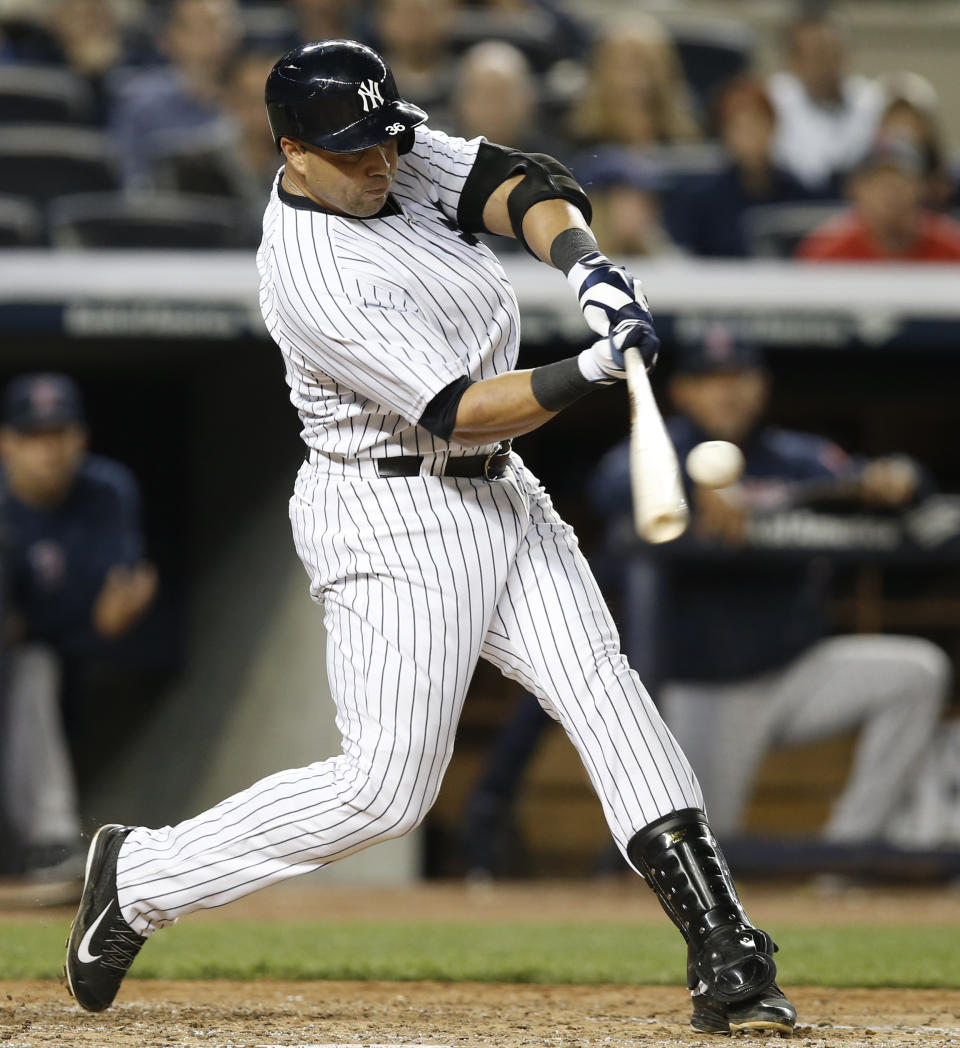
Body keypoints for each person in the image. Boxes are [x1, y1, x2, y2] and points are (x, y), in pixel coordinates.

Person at [64, 40, 796, 1039]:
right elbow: (456, 410)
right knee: (387, 789)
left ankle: (728, 947)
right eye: (354, 149)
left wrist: (589, 268)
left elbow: (521, 181)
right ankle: (140, 875)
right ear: (292, 151)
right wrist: (589, 371)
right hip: (390, 511)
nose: (381, 161)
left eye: (385, 138)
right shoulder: (311, 269)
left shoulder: (389, 153)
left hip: (504, 495)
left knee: (603, 686)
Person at [591, 329, 951, 844]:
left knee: (916, 673)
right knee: (709, 857)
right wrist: (688, 489)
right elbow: (607, 486)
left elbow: (890, 480)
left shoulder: (793, 456)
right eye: (710, 379)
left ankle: (846, 854)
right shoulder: (656, 449)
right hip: (705, 689)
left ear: (761, 385)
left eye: (738, 377)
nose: (728, 391)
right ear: (683, 392)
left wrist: (899, 478)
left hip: (795, 674)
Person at [0, 373, 158, 880]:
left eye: (58, 434)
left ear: (79, 438)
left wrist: (114, 618)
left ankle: (49, 845)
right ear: (7, 443)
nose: (48, 450)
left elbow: (111, 607)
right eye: (33, 436)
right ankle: (45, 841)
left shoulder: (106, 490)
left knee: (35, 666)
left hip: (59, 651)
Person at [668, 76, 814, 259]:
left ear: (773, 127)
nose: (750, 137)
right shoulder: (701, 204)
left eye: (757, 125)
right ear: (725, 134)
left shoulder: (801, 196)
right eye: (740, 128)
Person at [108, 0, 242, 189]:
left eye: (224, 26)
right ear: (167, 39)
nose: (215, 39)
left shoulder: (257, 100)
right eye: (201, 28)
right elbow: (132, 183)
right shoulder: (142, 106)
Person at [768, 9, 883, 194]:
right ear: (793, 59)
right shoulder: (771, 102)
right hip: (788, 202)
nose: (828, 63)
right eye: (819, 53)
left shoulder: (872, 101)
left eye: (835, 52)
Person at [796, 138, 960, 261]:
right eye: (878, 183)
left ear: (921, 188)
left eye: (900, 182)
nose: (890, 193)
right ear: (856, 190)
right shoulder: (825, 252)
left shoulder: (953, 246)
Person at [566, 15, 700, 151]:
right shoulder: (578, 141)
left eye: (645, 67)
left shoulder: (683, 142)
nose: (634, 80)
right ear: (601, 72)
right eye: (623, 67)